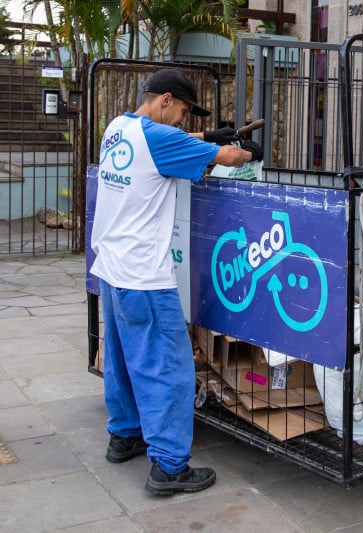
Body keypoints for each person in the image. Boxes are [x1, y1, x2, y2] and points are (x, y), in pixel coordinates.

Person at [90, 68, 263, 496]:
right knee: (168, 369)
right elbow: (224, 159)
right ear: (165, 100)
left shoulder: (119, 127)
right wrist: (244, 150)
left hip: (111, 271)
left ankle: (124, 435)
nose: (185, 122)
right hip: (144, 278)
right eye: (184, 112)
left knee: (124, 360)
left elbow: (173, 144)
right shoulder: (161, 140)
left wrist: (210, 134)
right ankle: (168, 466)